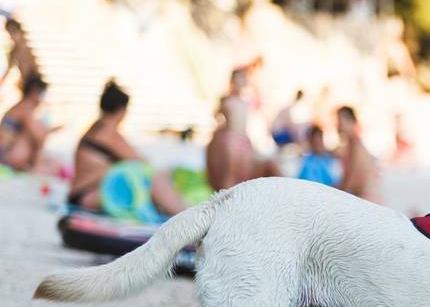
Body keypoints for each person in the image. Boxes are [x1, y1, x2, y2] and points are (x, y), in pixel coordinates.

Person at [68, 80, 186, 220]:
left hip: (81, 194)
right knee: (156, 178)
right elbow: (141, 161)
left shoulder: (96, 127)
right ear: (122, 111)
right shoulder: (109, 133)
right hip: (90, 195)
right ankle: (185, 215)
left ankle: (181, 212)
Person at [206, 93, 280, 191]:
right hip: (231, 184)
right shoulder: (226, 140)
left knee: (271, 165)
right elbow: (220, 176)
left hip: (241, 145)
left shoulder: (242, 140)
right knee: (230, 175)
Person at [0, 75, 63, 175]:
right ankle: (35, 165)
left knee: (52, 160)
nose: (43, 99)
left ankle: (35, 164)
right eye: (43, 94)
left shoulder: (23, 106)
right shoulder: (25, 108)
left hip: (6, 153)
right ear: (35, 93)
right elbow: (39, 135)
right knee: (33, 134)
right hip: (6, 156)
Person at [336, 106, 376, 199]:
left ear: (351, 121)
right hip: (361, 196)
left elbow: (351, 179)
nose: (338, 126)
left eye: (340, 121)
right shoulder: (352, 144)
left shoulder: (355, 145)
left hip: (364, 199)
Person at [1, 18, 39, 88]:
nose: (12, 37)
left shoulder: (29, 46)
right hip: (26, 84)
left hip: (34, 83)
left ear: (20, 31)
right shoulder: (14, 52)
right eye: (10, 33)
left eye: (13, 32)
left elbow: (34, 67)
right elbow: (8, 70)